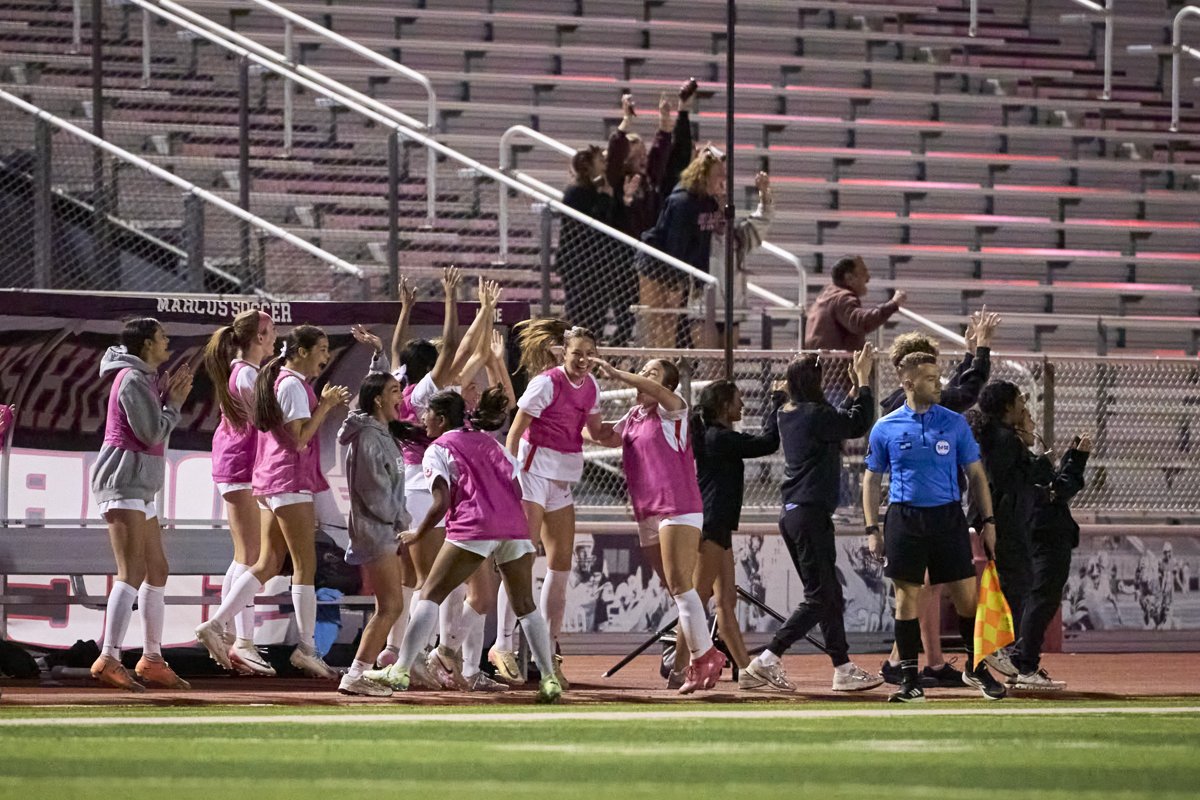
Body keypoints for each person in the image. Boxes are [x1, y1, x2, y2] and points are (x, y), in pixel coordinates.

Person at [368, 388, 563, 704]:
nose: (422, 419)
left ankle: (401, 670)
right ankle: (550, 679)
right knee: (526, 605)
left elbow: (442, 501)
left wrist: (418, 534)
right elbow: (517, 484)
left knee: (430, 593)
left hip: (474, 526)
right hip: (514, 527)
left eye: (427, 414)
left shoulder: (439, 448)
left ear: (441, 418)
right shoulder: (491, 442)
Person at [195, 325, 351, 679]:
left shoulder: (278, 380)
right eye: (321, 348)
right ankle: (307, 648)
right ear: (301, 351)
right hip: (288, 480)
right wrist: (325, 406)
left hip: (272, 480)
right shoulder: (292, 384)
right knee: (303, 566)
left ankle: (217, 624)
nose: (326, 356)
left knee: (267, 562)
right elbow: (298, 440)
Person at [863, 352, 1007, 702]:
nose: (938, 383)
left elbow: (976, 475)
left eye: (937, 376)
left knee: (966, 599)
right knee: (906, 599)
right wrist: (872, 529)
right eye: (930, 378)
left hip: (948, 517)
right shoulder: (886, 427)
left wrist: (988, 522)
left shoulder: (954, 423)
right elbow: (870, 479)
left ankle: (976, 668)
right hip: (905, 518)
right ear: (909, 383)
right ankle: (909, 681)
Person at [744, 347, 884, 693]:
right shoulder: (815, 415)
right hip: (808, 514)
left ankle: (843, 667)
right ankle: (766, 659)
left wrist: (854, 391)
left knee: (829, 593)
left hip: (796, 514)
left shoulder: (790, 412)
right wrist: (864, 381)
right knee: (820, 596)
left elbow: (836, 419)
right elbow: (856, 424)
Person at [590, 357, 725, 694]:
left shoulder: (673, 408)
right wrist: (581, 397)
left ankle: (705, 656)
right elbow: (599, 434)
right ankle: (686, 664)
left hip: (677, 506)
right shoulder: (634, 416)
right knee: (680, 593)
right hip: (647, 512)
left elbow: (652, 389)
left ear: (665, 385)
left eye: (651, 373)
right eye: (643, 371)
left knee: (681, 585)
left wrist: (620, 374)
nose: (644, 377)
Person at [89, 319, 194, 692]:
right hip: (123, 481)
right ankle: (109, 657)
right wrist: (175, 404)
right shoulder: (132, 379)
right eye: (164, 337)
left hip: (139, 485)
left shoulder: (143, 377)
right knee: (131, 570)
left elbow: (149, 427)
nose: (168, 342)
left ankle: (151, 659)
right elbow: (150, 433)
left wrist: (166, 399)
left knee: (157, 569)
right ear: (148, 343)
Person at [504, 321, 607, 689]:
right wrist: (511, 473)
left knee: (561, 563)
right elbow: (516, 431)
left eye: (588, 354)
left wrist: (636, 422)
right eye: (576, 353)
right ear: (564, 352)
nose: (582, 359)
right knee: (522, 555)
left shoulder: (592, 386)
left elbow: (598, 433)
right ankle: (503, 644)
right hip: (532, 471)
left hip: (563, 476)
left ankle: (547, 651)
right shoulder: (547, 382)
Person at [690, 378, 781, 687]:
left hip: (721, 524)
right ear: (724, 406)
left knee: (726, 600)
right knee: (696, 599)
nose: (742, 405)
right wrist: (778, 404)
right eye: (738, 400)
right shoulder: (719, 438)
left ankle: (746, 671)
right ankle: (678, 667)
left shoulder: (717, 436)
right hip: (712, 524)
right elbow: (768, 443)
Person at [202, 309, 278, 677]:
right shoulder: (247, 374)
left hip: (237, 466)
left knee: (244, 555)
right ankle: (238, 638)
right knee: (251, 555)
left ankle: (235, 635)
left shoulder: (245, 372)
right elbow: (267, 420)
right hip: (240, 466)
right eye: (271, 331)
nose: (275, 336)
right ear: (259, 337)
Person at [638, 141, 772, 349]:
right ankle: (656, 368)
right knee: (660, 322)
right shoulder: (682, 201)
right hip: (658, 264)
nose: (724, 179)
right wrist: (684, 282)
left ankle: (666, 367)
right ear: (704, 175)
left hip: (688, 269)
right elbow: (676, 245)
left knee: (671, 323)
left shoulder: (711, 203)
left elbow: (744, 226)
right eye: (719, 174)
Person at [334, 372, 411, 697]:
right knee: (391, 606)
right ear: (378, 399)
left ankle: (359, 672)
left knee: (390, 605)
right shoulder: (368, 438)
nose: (401, 398)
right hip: (376, 530)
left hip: (384, 529)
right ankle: (356, 674)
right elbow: (373, 491)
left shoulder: (381, 433)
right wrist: (400, 520)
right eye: (394, 391)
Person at [557, 145, 619, 339]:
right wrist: (604, 197)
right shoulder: (577, 192)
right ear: (588, 165)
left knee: (597, 316)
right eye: (600, 160)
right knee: (581, 314)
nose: (604, 164)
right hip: (580, 263)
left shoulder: (592, 189)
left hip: (595, 264)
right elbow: (592, 223)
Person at [804, 256, 906, 351]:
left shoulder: (827, 295)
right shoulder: (842, 298)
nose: (868, 278)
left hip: (821, 365)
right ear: (849, 278)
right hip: (835, 367)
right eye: (863, 272)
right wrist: (893, 304)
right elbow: (861, 322)